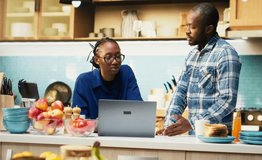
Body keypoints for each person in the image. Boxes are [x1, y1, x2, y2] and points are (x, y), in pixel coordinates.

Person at [159, 3, 241, 136]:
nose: (187, 31)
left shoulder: (226, 54)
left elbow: (227, 100)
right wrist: (169, 126)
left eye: (192, 27)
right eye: (187, 26)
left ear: (208, 29)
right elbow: (180, 93)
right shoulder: (192, 56)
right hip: (194, 136)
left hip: (218, 137)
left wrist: (193, 123)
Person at [72, 37, 143, 119]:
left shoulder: (126, 73)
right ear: (97, 60)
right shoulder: (84, 81)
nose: (115, 61)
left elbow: (138, 110)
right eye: (108, 57)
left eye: (118, 56)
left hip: (124, 131)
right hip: (92, 132)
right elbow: (79, 119)